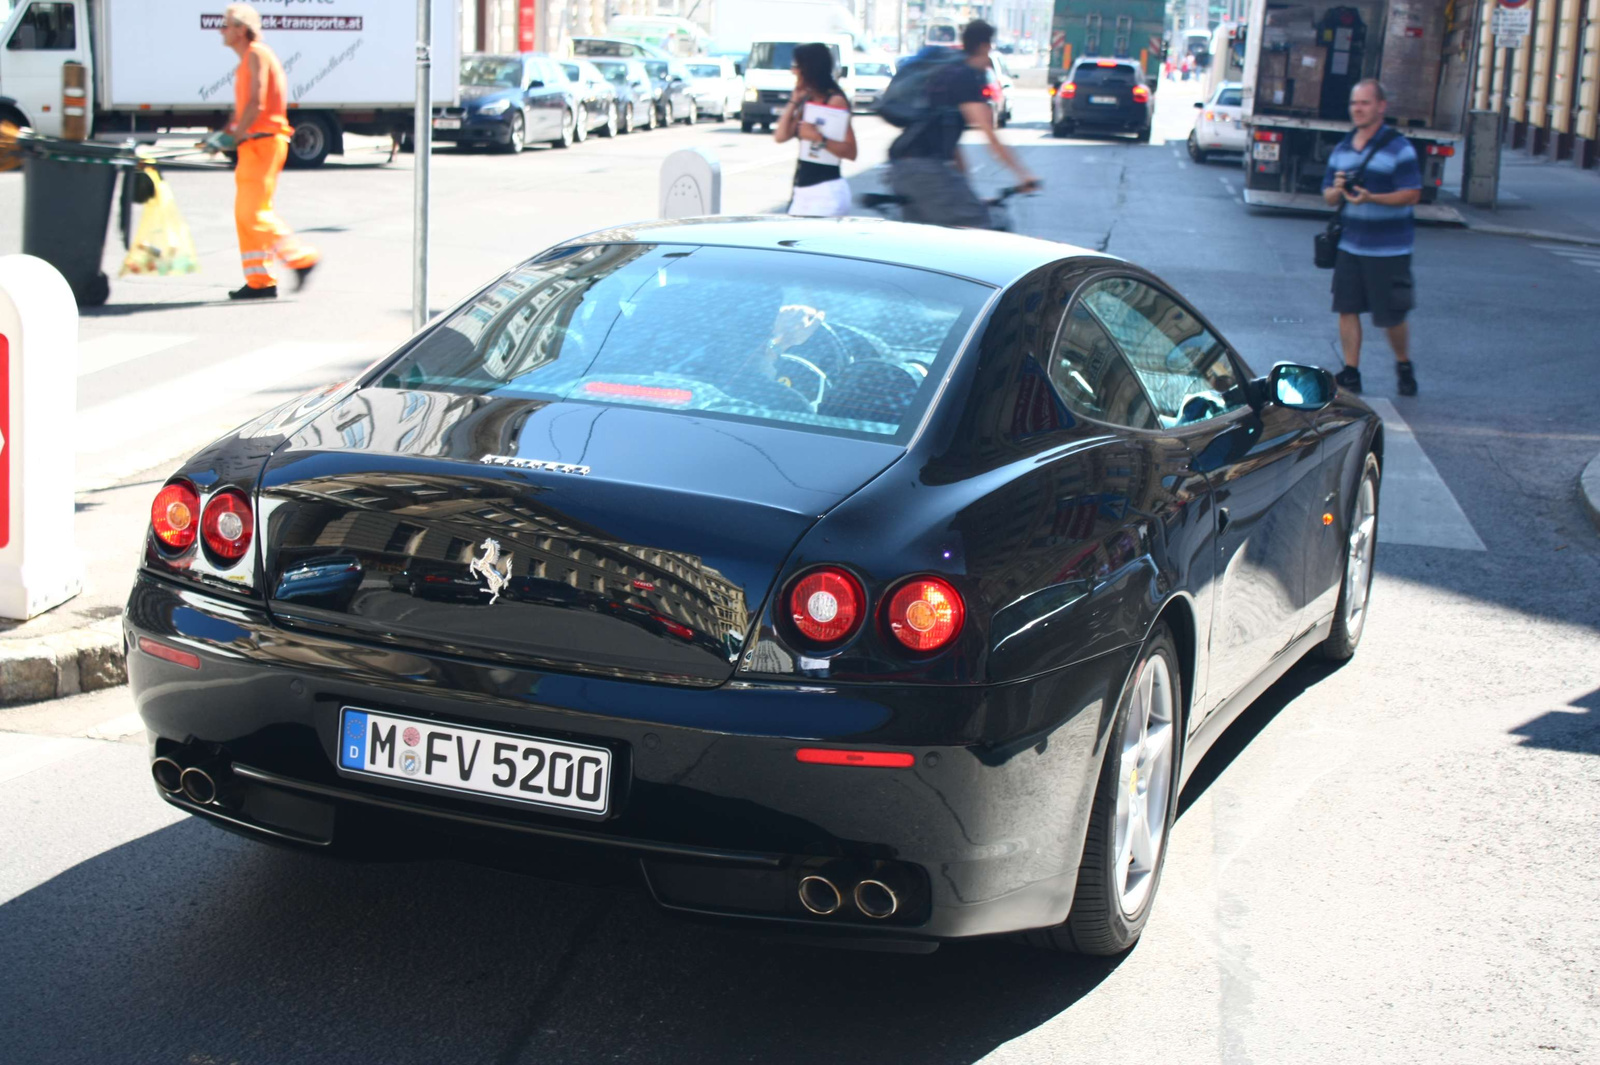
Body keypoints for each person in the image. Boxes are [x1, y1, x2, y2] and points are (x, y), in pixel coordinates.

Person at [209, 3, 320, 300]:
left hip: (262, 143)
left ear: (242, 30)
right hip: (256, 144)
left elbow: (256, 104)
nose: (221, 29)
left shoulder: (256, 54)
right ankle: (260, 280)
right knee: (246, 214)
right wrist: (225, 135)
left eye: (227, 24)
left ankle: (302, 259)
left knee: (253, 213)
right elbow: (248, 106)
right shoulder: (251, 57)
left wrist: (232, 136)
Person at [1322, 78, 1422, 395]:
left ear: (1381, 107)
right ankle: (1351, 371)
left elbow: (1412, 195)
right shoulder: (1342, 149)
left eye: (1364, 103)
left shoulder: (1399, 148)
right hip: (1351, 245)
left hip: (1389, 249)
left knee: (1391, 316)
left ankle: (1403, 363)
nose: (1358, 109)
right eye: (1354, 103)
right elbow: (1327, 197)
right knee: (1347, 308)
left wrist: (1372, 198)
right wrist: (1337, 191)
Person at [887, 20, 1038, 227]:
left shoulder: (949, 72)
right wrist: (1024, 175)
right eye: (991, 47)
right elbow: (990, 137)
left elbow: (950, 143)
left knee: (931, 238)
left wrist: (967, 192)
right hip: (924, 172)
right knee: (987, 225)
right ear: (985, 46)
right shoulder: (964, 76)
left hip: (906, 168)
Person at [773, 43, 858, 216]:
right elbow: (781, 136)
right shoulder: (807, 99)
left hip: (826, 191)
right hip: (802, 190)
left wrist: (819, 138)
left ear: (809, 68)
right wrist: (794, 101)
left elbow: (851, 151)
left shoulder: (835, 101)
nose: (792, 71)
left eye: (796, 66)